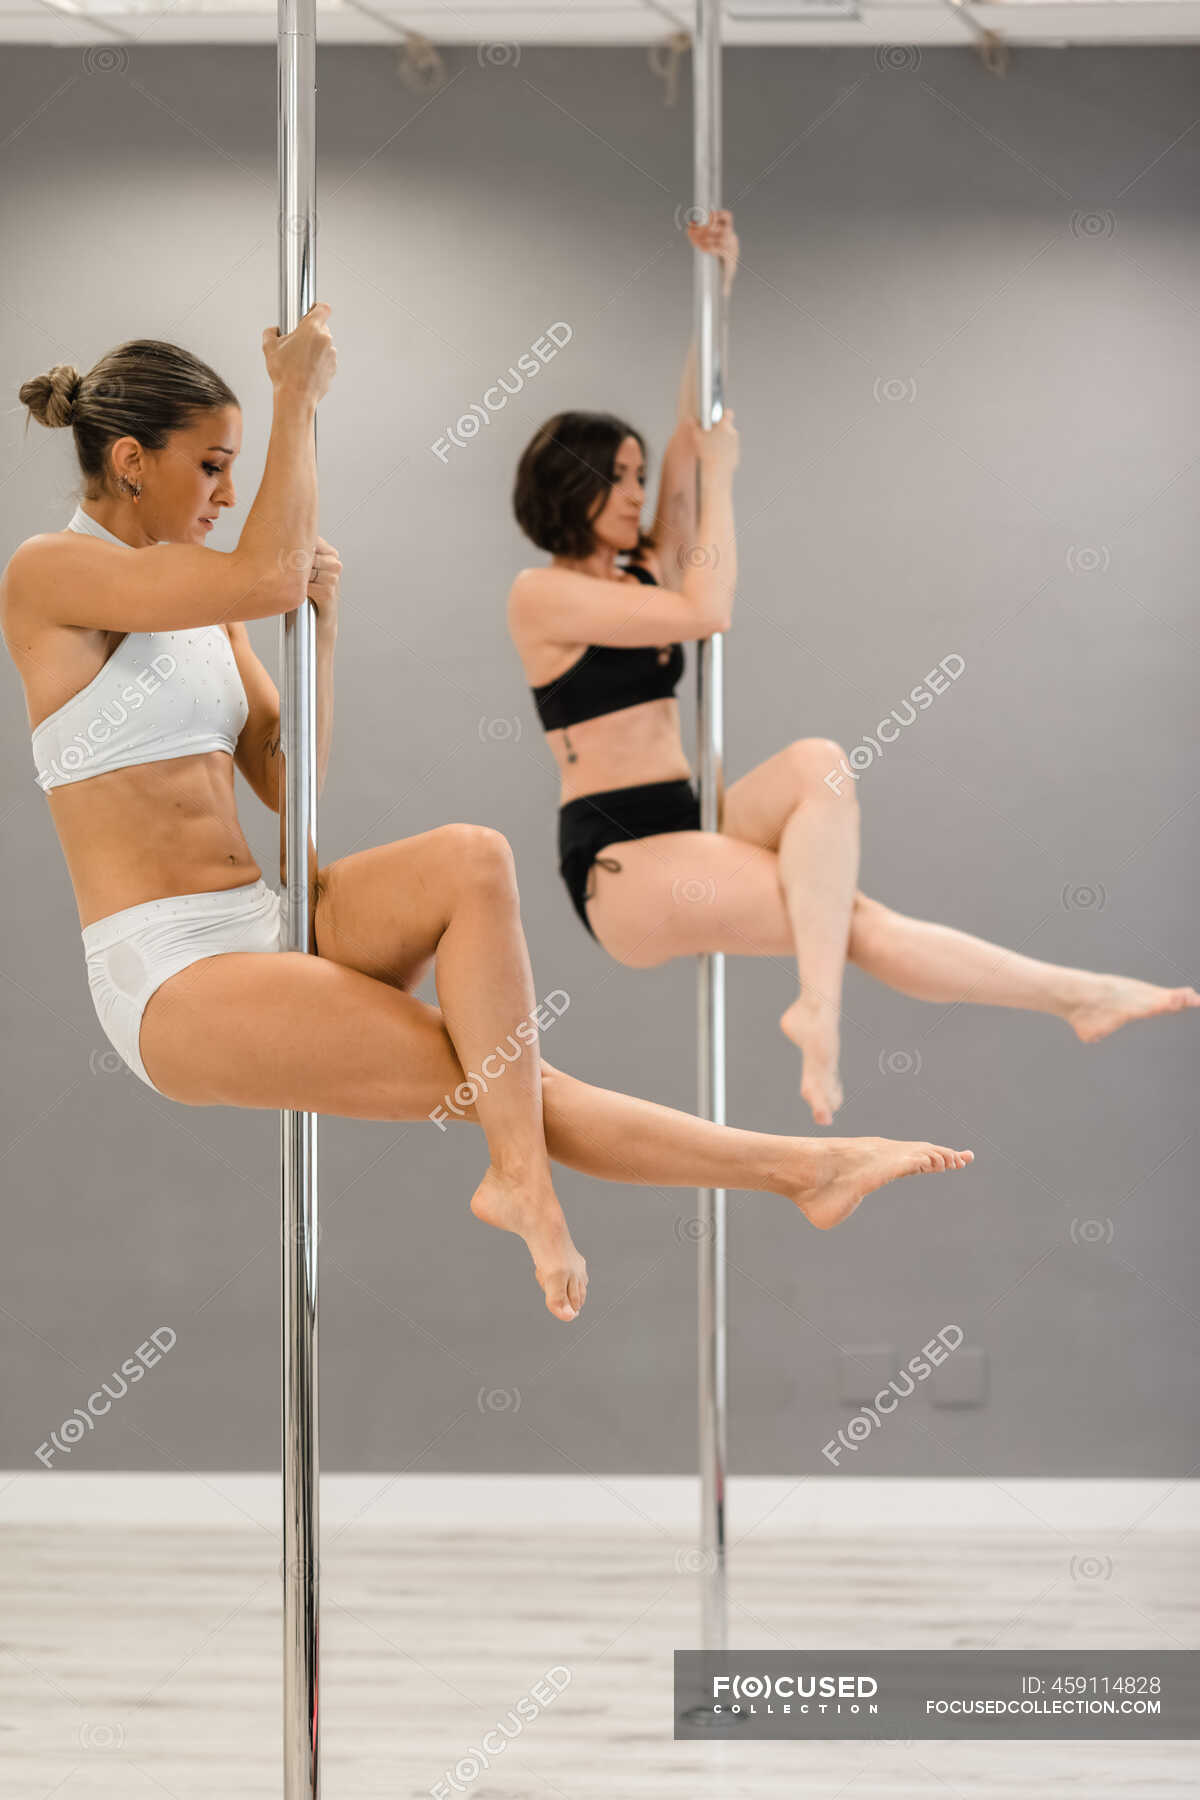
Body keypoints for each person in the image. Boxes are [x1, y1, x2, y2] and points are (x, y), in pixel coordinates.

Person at [3, 302, 973, 1326]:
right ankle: (765, 1171)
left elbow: (295, 789)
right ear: (129, 460)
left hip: (269, 915)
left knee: (474, 860)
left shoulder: (202, 610)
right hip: (169, 973)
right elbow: (268, 570)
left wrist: (320, 637)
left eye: (237, 465)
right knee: (506, 1077)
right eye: (212, 467)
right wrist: (295, 397)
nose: (230, 492)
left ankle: (555, 1175)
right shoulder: (47, 572)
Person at [508, 209, 1199, 1127]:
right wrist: (728, 483)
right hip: (621, 862)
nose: (640, 491)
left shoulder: (639, 565)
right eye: (622, 477)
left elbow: (690, 431)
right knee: (848, 921)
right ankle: (999, 1000)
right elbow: (708, 610)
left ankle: (988, 1001)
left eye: (639, 476)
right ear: (576, 490)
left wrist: (718, 282)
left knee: (820, 765)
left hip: (690, 817)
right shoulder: (542, 595)